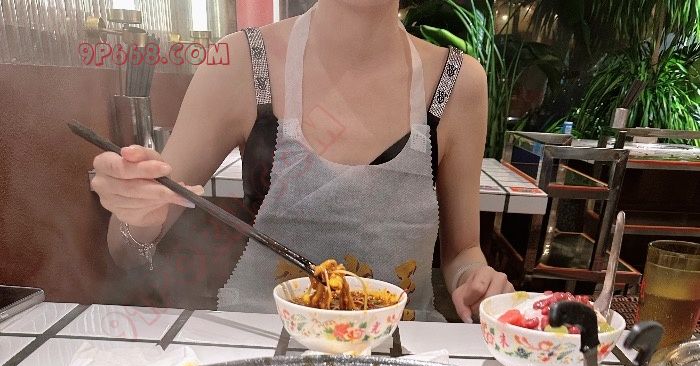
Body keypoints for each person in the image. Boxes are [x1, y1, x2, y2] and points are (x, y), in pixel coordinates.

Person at [91, 0, 514, 321]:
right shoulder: (240, 64)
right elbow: (127, 251)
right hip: (261, 345)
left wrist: (474, 281)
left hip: (395, 351)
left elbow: (463, 252)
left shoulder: (458, 84)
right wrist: (138, 213)